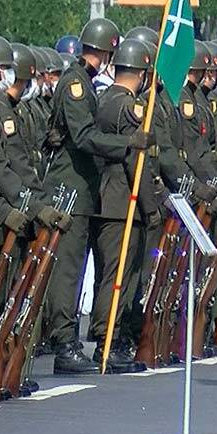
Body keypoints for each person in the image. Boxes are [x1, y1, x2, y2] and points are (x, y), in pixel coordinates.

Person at [43, 17, 141, 374]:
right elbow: (83, 136)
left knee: (77, 267)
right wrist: (126, 144)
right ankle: (64, 343)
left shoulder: (85, 82)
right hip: (70, 185)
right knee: (68, 271)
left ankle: (68, 340)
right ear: (105, 51)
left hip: (83, 188)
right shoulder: (76, 84)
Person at [89, 38, 157, 372]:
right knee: (117, 277)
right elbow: (135, 161)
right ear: (141, 73)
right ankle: (107, 341)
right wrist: (150, 204)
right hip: (121, 200)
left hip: (108, 198)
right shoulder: (130, 106)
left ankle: (108, 338)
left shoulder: (105, 99)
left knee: (109, 274)